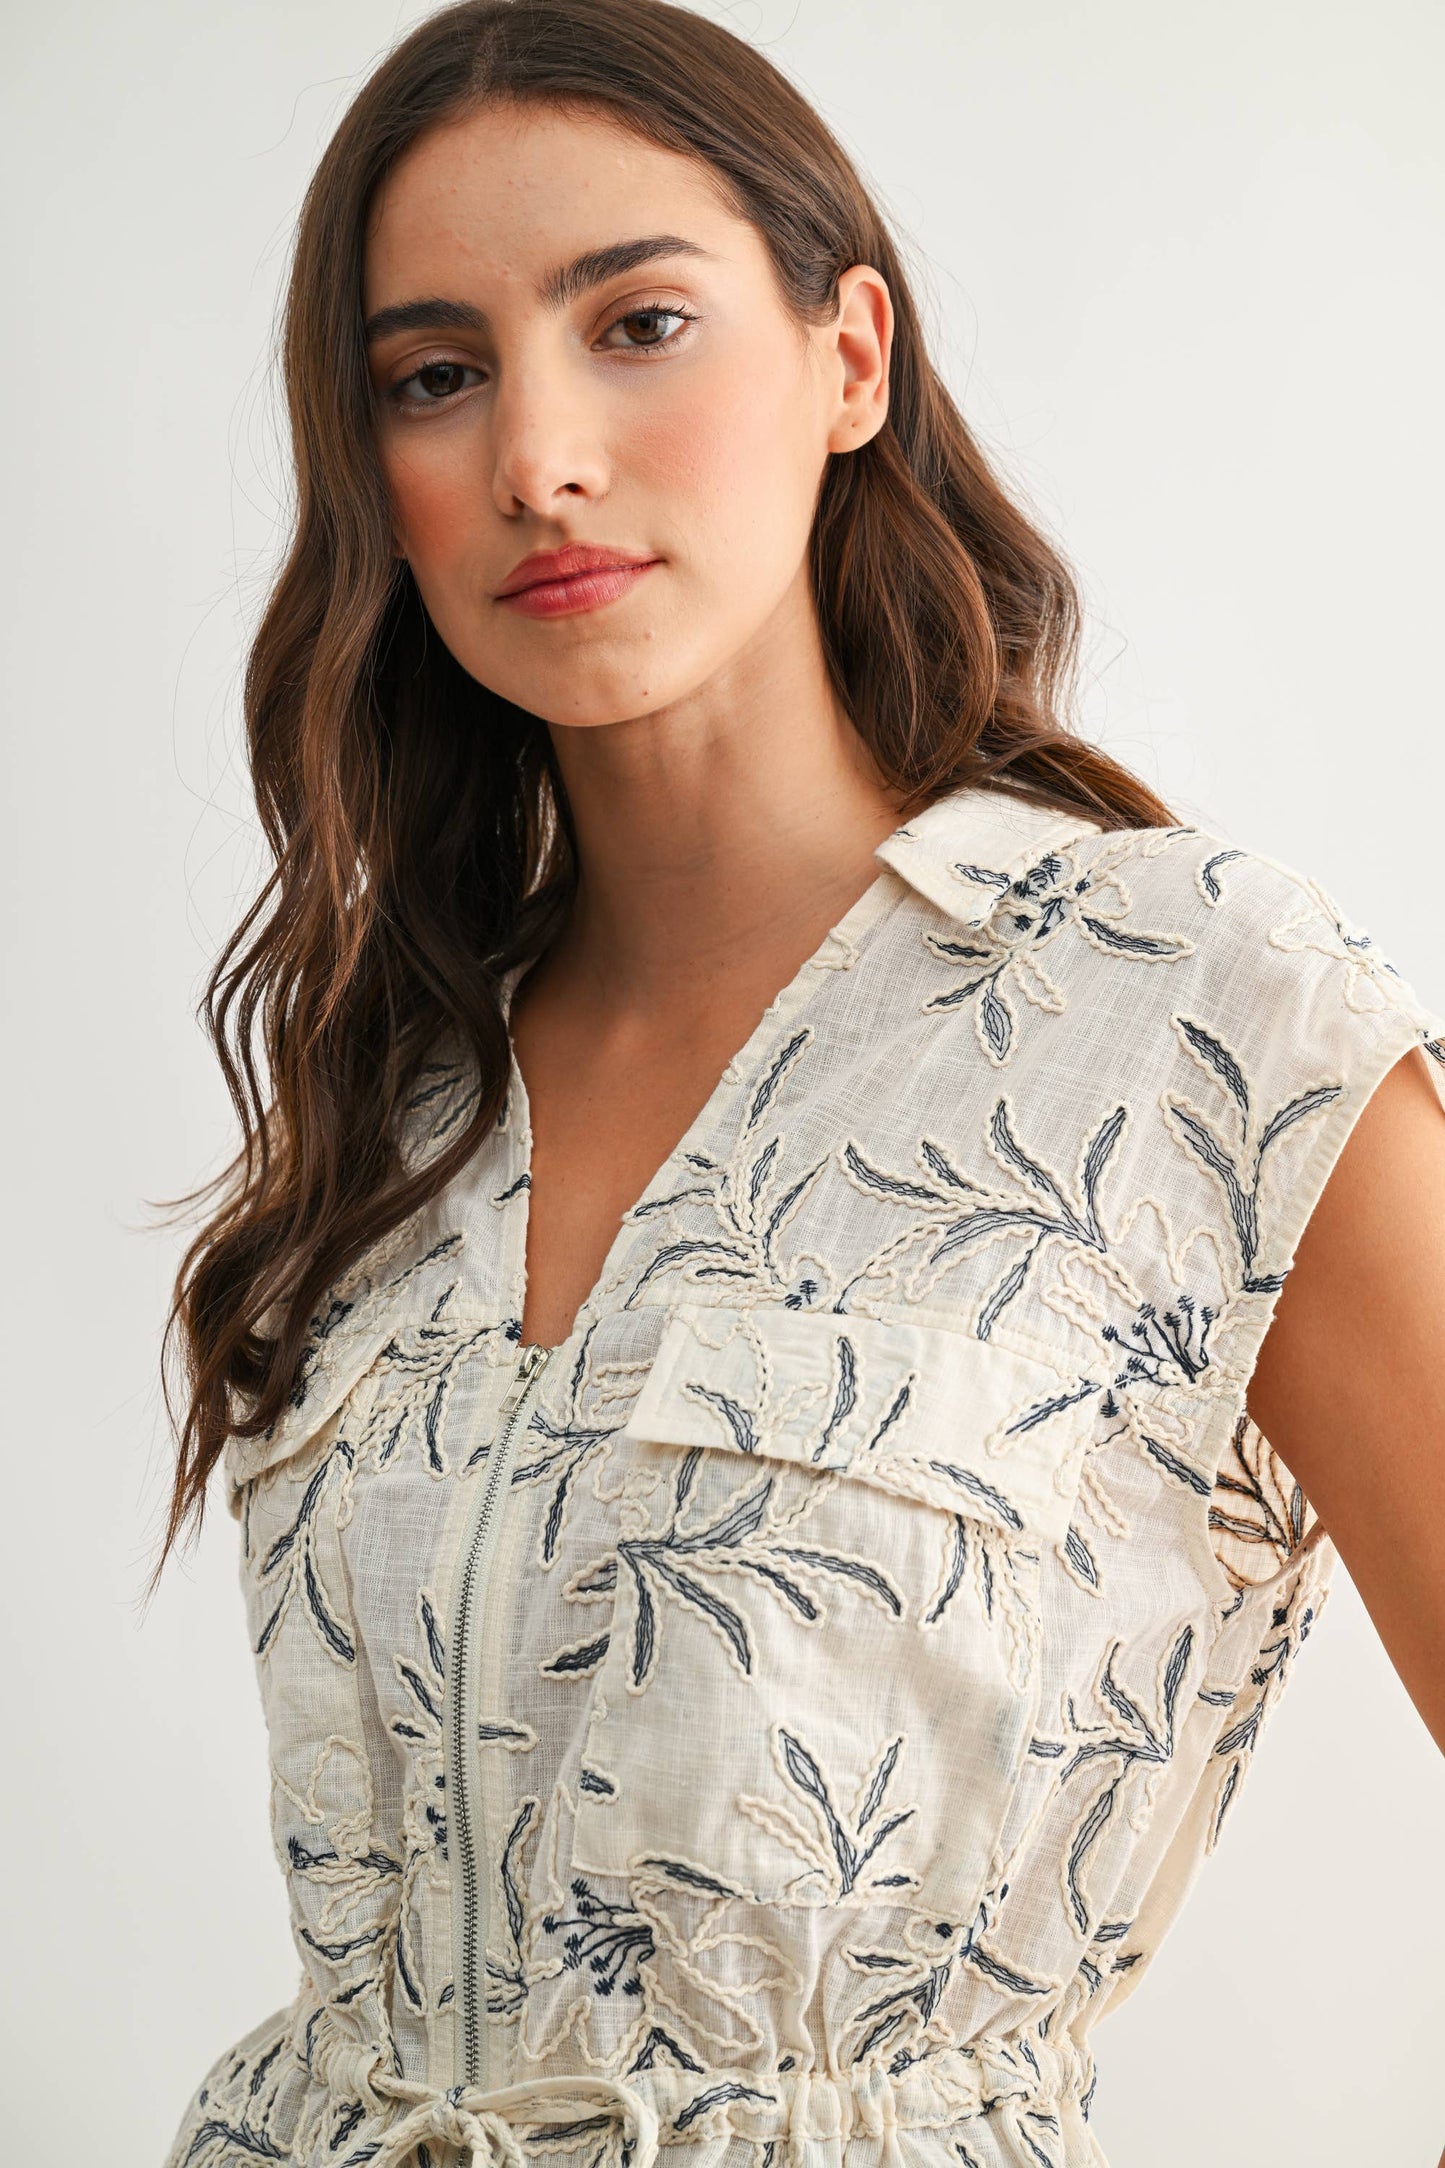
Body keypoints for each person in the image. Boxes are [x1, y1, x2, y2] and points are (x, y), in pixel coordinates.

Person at [153, 3, 1445, 2164]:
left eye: (637, 322)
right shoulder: (403, 1087)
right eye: (435, 376)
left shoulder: (1201, 1016)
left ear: (850, 356)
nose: (539, 456)